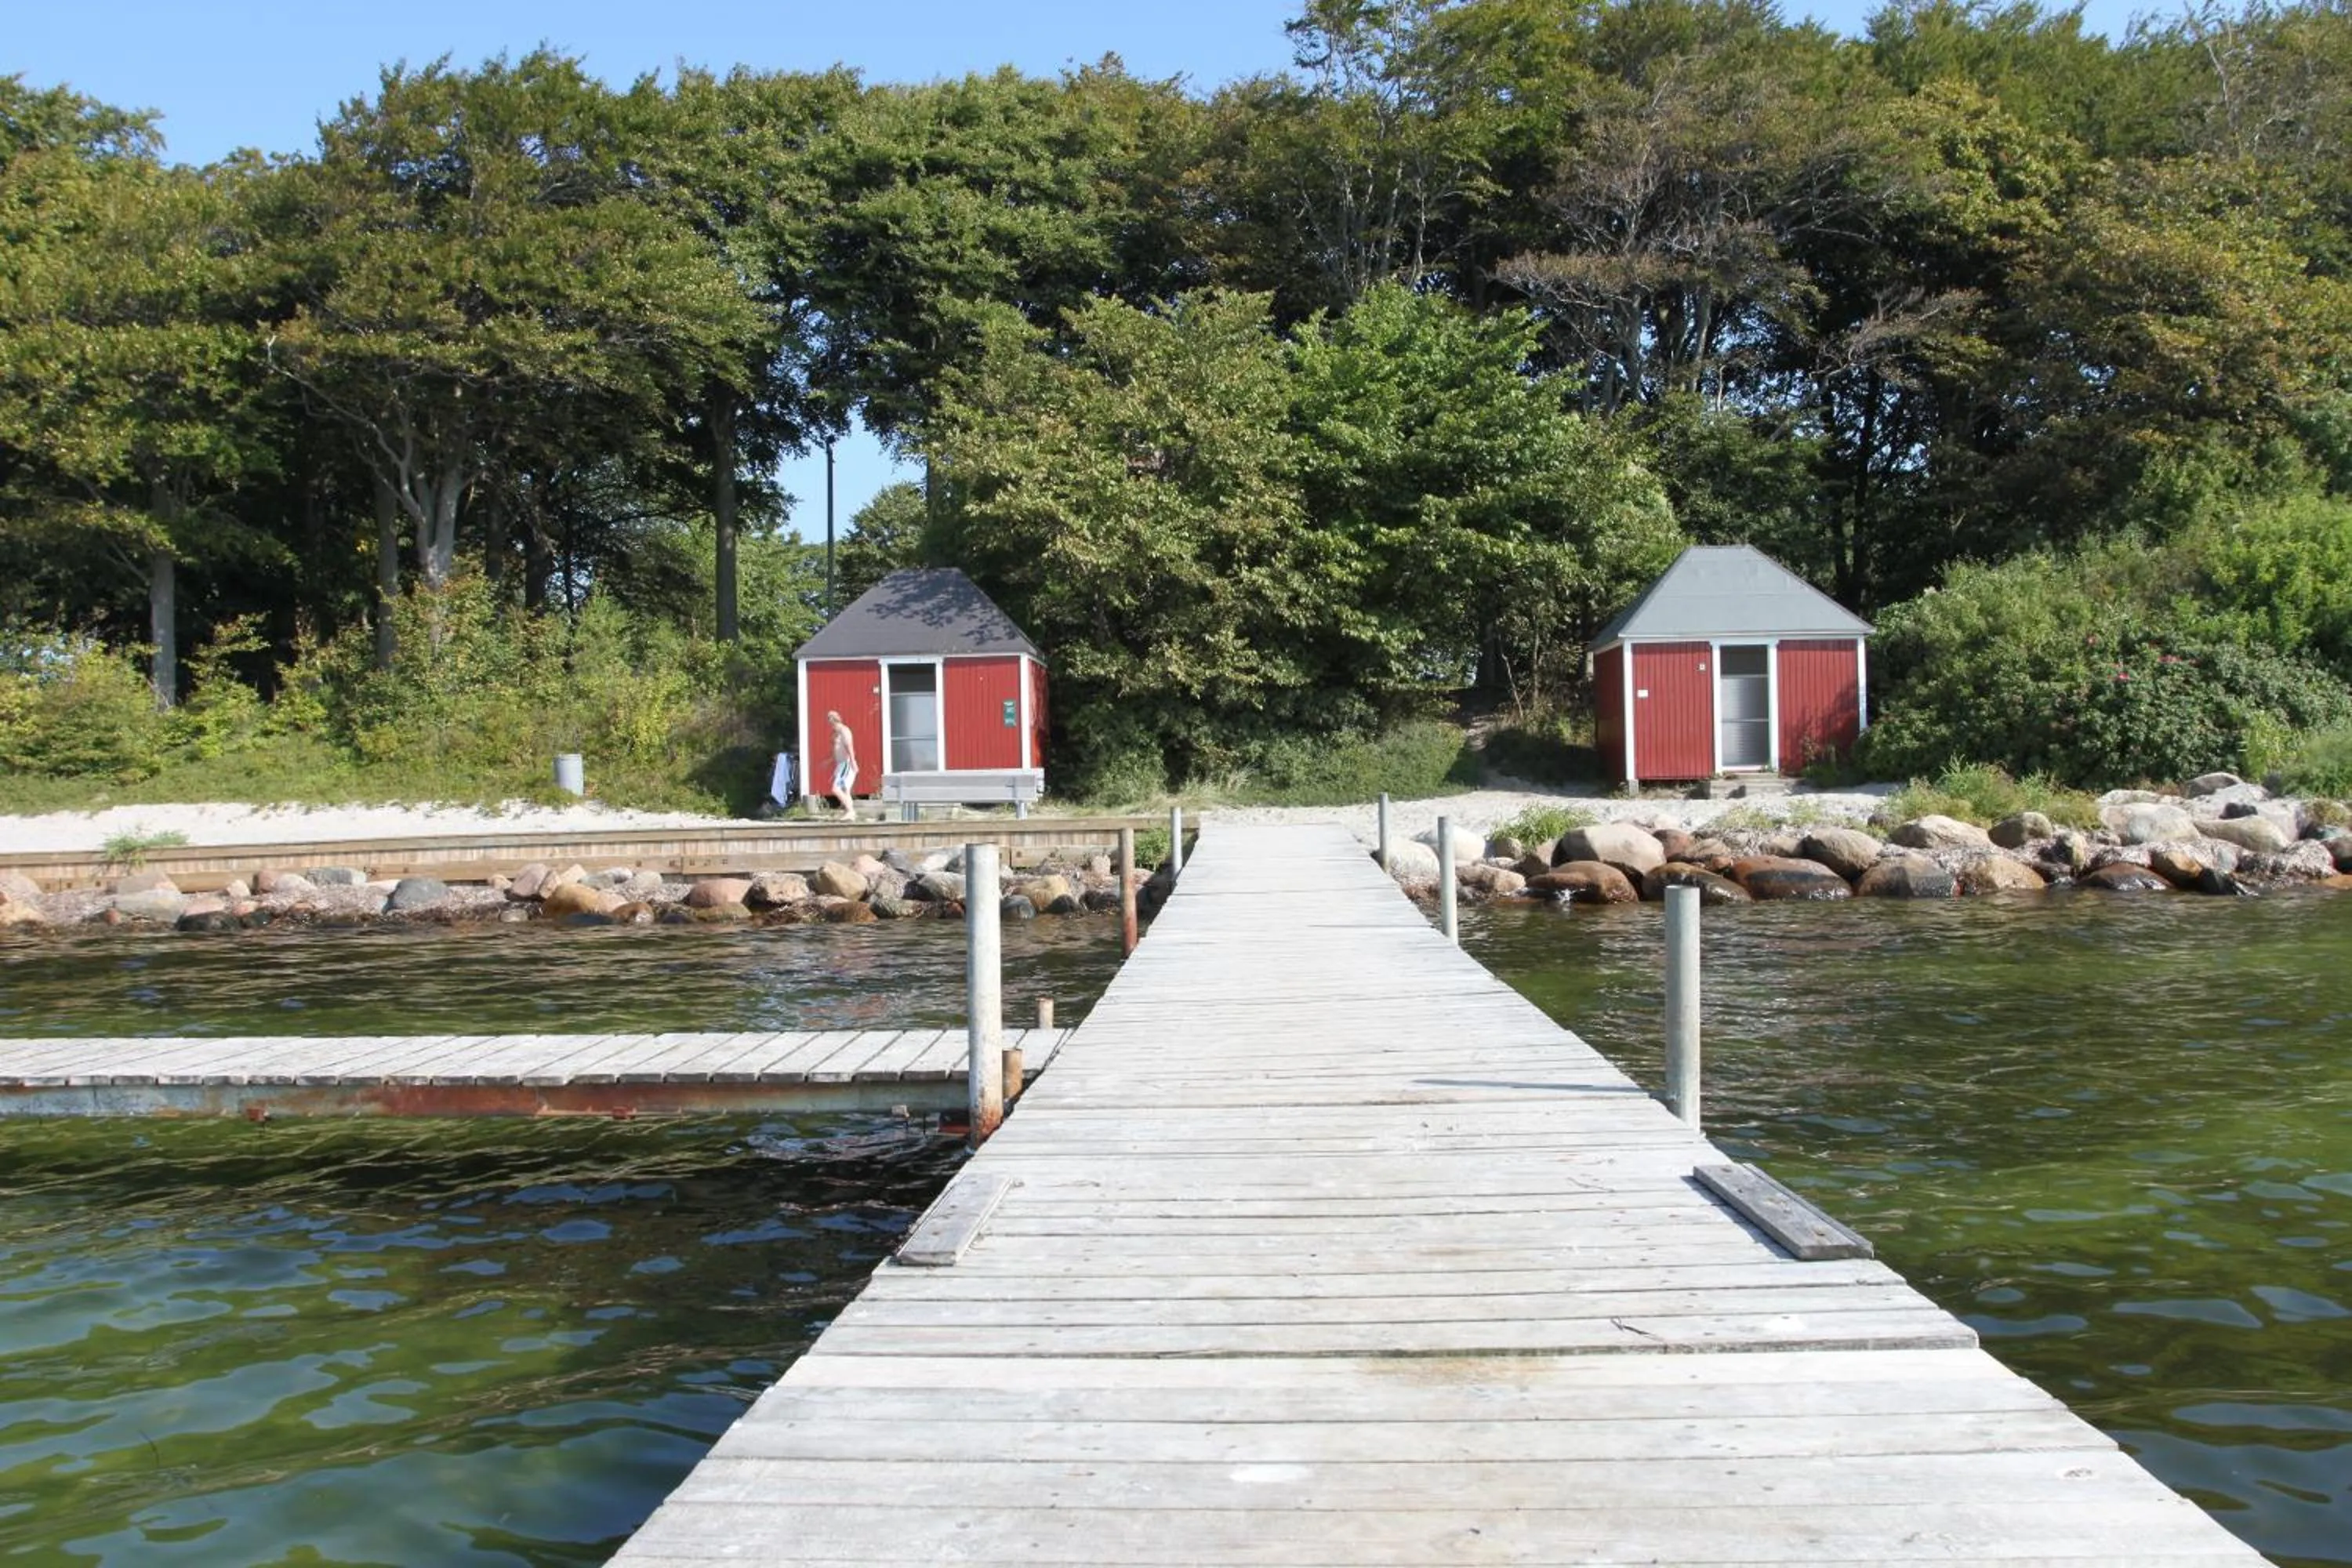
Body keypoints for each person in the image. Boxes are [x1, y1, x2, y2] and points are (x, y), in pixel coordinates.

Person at [826, 710, 858, 821]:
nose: (831, 726)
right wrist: (829, 761)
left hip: (846, 764)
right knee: (845, 790)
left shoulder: (844, 731)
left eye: (831, 722)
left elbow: (849, 747)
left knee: (836, 789)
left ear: (834, 720)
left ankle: (851, 811)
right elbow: (838, 750)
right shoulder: (837, 733)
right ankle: (849, 814)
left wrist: (853, 762)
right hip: (841, 764)